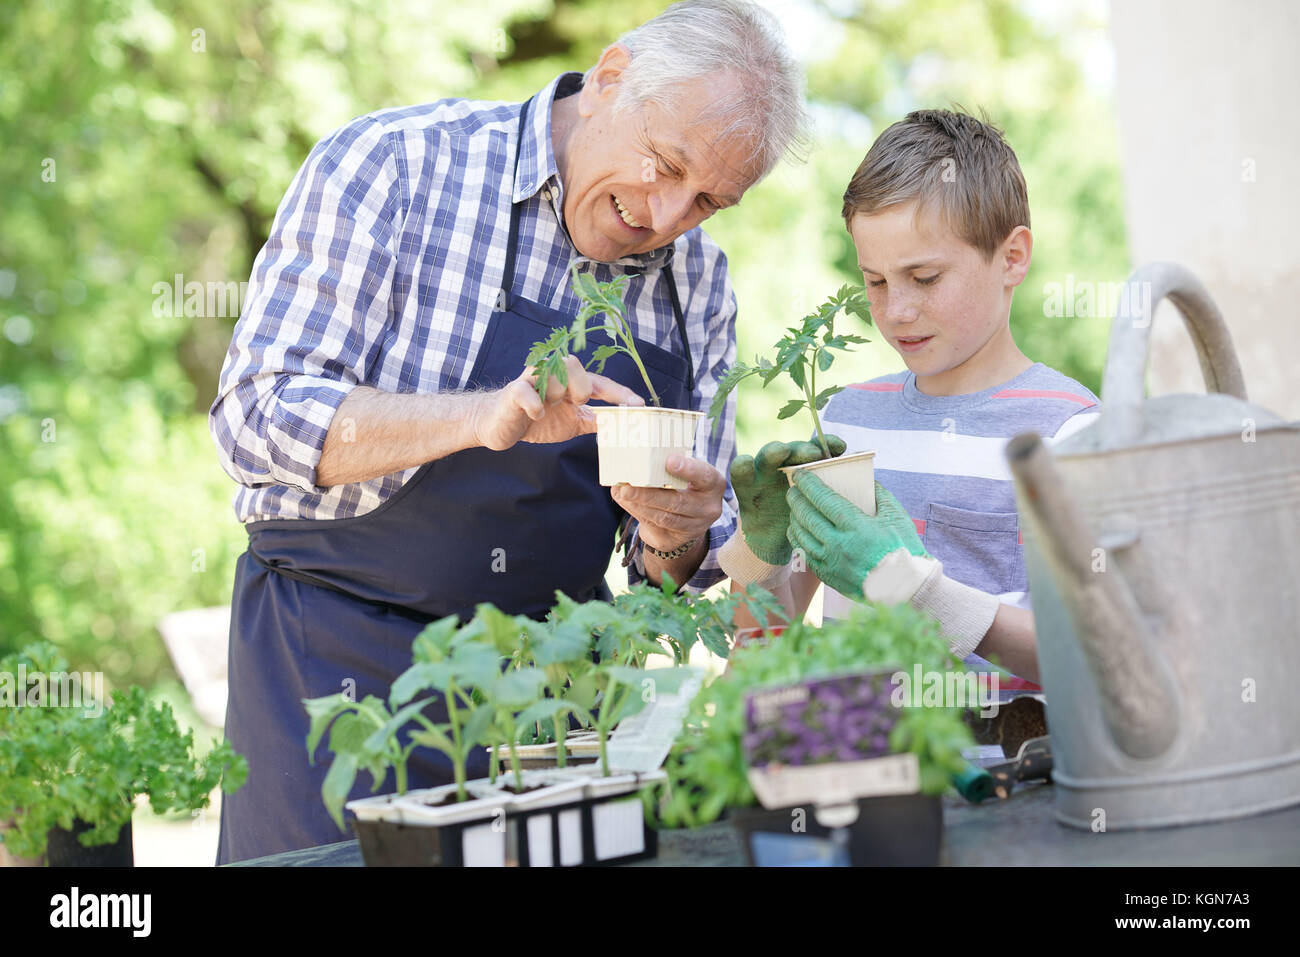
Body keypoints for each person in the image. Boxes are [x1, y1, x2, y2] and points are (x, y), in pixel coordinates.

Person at [208, 0, 808, 863]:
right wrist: (479, 417)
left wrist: (677, 531)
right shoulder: (396, 166)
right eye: (666, 164)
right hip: (336, 670)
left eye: (710, 198)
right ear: (607, 79)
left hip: (553, 699)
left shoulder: (699, 287)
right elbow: (255, 416)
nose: (671, 214)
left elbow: (671, 575)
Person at [721, 110, 1101, 686]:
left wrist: (919, 591)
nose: (895, 310)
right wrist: (763, 558)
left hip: (1005, 768)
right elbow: (757, 654)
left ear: (1013, 257)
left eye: (924, 278)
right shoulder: (844, 423)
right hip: (854, 762)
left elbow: (1098, 657)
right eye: (874, 280)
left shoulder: (1068, 432)